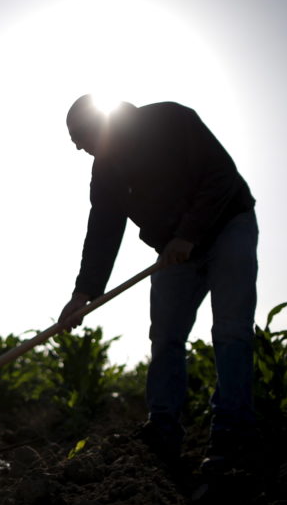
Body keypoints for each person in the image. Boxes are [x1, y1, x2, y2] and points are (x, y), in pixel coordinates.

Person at [57, 94, 259, 472]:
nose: (83, 150)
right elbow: (103, 229)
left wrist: (189, 233)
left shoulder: (170, 120)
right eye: (78, 145)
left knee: (231, 330)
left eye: (83, 140)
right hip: (173, 250)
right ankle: (163, 430)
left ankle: (233, 433)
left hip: (228, 225)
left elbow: (220, 174)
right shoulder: (106, 170)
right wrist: (83, 292)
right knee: (165, 336)